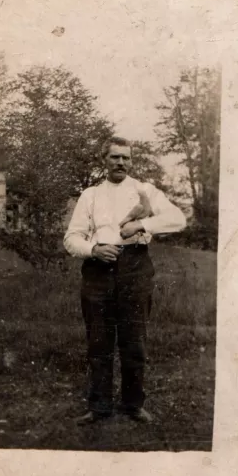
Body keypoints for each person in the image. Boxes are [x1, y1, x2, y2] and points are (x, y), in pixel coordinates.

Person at [64, 136, 186, 425]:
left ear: (132, 161)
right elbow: (71, 238)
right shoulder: (90, 195)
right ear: (104, 160)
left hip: (135, 268)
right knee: (99, 341)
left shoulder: (145, 190)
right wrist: (93, 249)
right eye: (114, 157)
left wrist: (141, 224)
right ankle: (99, 407)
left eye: (126, 158)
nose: (120, 162)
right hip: (97, 270)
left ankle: (133, 405)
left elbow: (178, 219)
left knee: (134, 342)